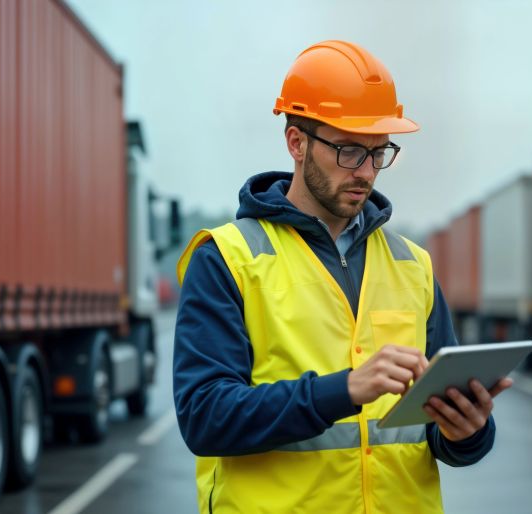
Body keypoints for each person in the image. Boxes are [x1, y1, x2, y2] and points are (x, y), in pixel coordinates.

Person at [173, 40, 513, 514]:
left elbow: (434, 435)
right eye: (350, 150)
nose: (367, 172)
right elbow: (204, 417)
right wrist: (345, 389)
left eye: (379, 152)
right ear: (297, 143)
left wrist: (468, 432)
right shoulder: (228, 258)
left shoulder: (412, 265)